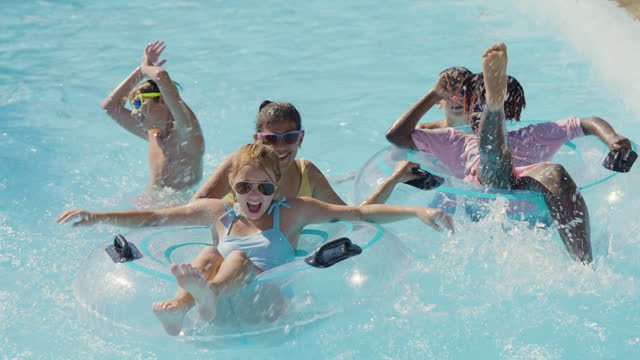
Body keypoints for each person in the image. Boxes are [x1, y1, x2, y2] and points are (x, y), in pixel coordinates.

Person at [57, 143, 454, 335]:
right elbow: (156, 217)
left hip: (266, 309)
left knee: (237, 260)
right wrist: (97, 216)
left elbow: (357, 214)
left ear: (275, 188)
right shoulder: (218, 212)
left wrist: (419, 211)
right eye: (245, 187)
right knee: (211, 251)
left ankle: (206, 299)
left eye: (264, 189)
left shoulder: (293, 210)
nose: (254, 197)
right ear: (232, 184)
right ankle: (183, 308)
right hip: (221, 309)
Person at [386, 42, 634, 264]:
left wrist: (613, 138)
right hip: (486, 198)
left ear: (512, 112)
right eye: (478, 108)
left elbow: (586, 122)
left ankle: (584, 266)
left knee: (555, 172)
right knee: (493, 160)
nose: (473, 113)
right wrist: (434, 95)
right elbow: (396, 137)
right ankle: (494, 109)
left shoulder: (530, 135)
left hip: (531, 208)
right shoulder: (452, 140)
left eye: (486, 106)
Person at [191, 100, 421, 205]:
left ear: (301, 138)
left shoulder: (306, 173)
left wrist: (394, 180)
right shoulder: (238, 164)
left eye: (290, 137)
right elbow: (196, 207)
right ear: (257, 140)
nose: (280, 147)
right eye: (271, 139)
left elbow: (353, 217)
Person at [101, 40, 205, 191]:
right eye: (133, 106)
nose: (135, 112)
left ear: (162, 100)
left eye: (138, 103)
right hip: (148, 208)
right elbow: (110, 107)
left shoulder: (187, 133)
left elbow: (161, 75)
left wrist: (146, 68)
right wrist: (139, 71)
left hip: (177, 211)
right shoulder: (153, 133)